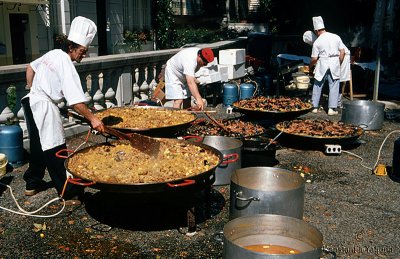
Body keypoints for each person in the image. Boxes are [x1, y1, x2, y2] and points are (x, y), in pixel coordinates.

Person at [21, 16, 105, 204]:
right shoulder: (66, 63)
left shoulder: (52, 54)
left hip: (30, 102)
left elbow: (30, 68)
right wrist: (93, 119)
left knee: (37, 146)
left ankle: (32, 183)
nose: (84, 55)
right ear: (71, 47)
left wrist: (33, 89)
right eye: (82, 51)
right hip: (42, 106)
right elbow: (75, 100)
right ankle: (67, 192)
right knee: (55, 148)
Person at [309, 16, 345, 116]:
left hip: (323, 62)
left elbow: (314, 58)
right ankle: (331, 109)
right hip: (334, 62)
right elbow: (342, 52)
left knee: (317, 85)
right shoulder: (336, 36)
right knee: (333, 85)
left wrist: (310, 66)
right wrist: (339, 63)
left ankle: (314, 107)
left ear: (316, 30)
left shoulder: (317, 42)